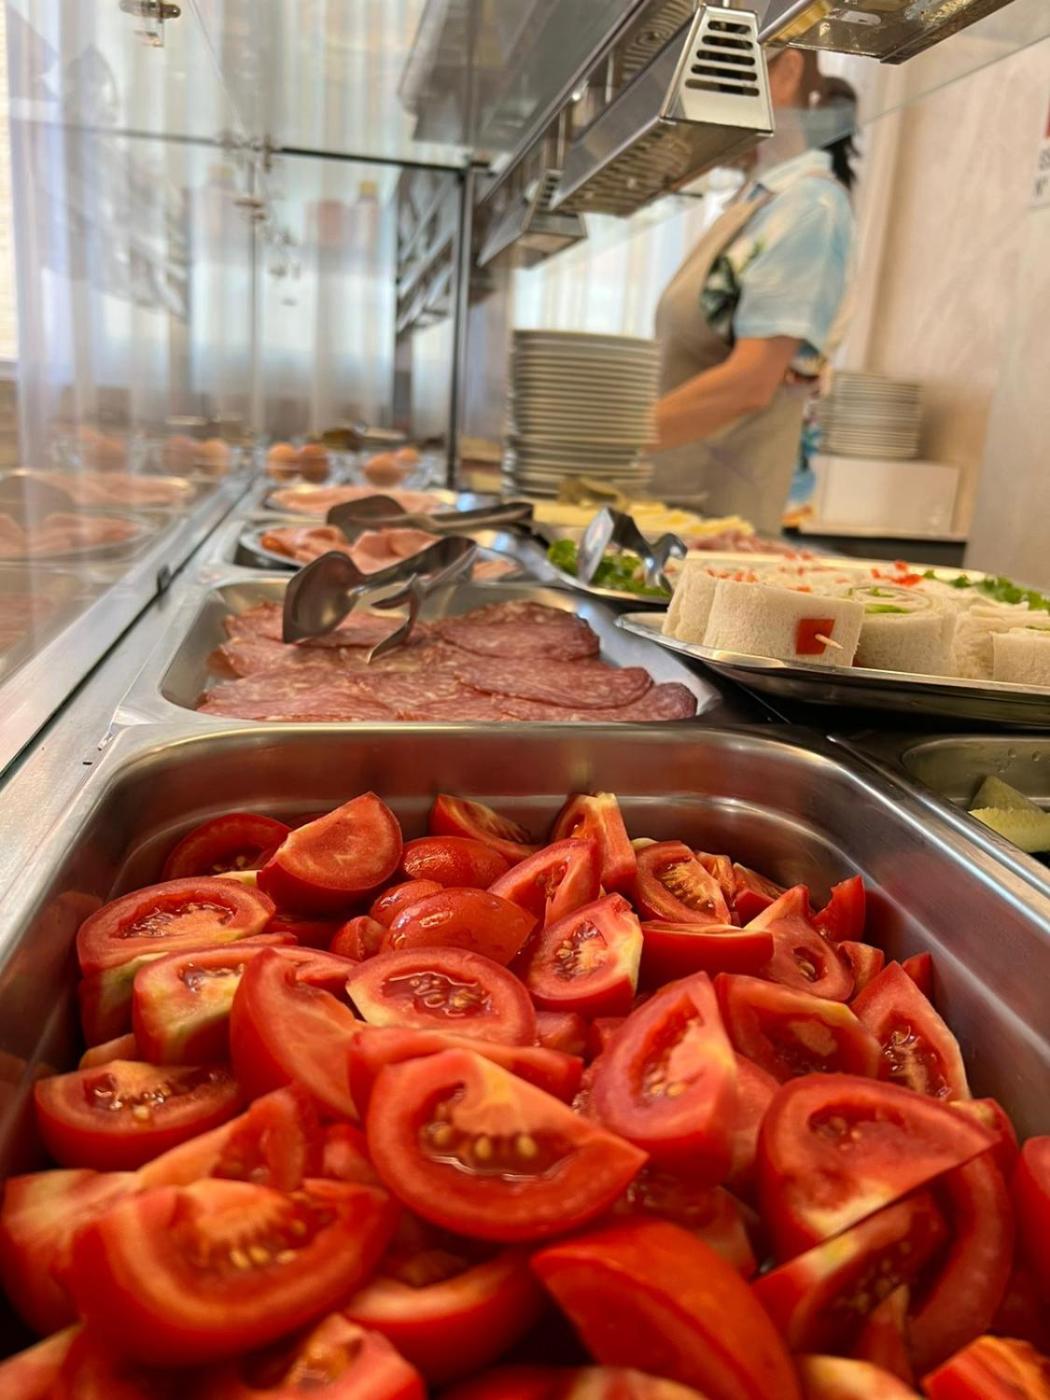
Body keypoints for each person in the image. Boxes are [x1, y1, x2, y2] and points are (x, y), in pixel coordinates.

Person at [652, 50, 858, 535]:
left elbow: (751, 382)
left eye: (710, 81)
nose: (698, 110)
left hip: (726, 520)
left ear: (784, 73)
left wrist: (607, 441)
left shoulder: (808, 206)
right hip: (684, 506)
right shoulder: (757, 202)